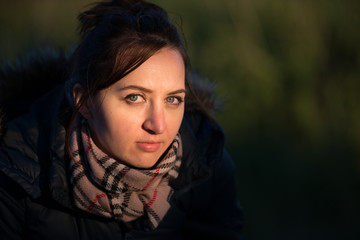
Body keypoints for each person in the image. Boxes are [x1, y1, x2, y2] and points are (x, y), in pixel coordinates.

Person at [0, 0, 243, 239]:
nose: (158, 125)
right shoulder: (16, 175)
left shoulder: (207, 163)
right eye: (135, 97)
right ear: (84, 102)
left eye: (172, 100)